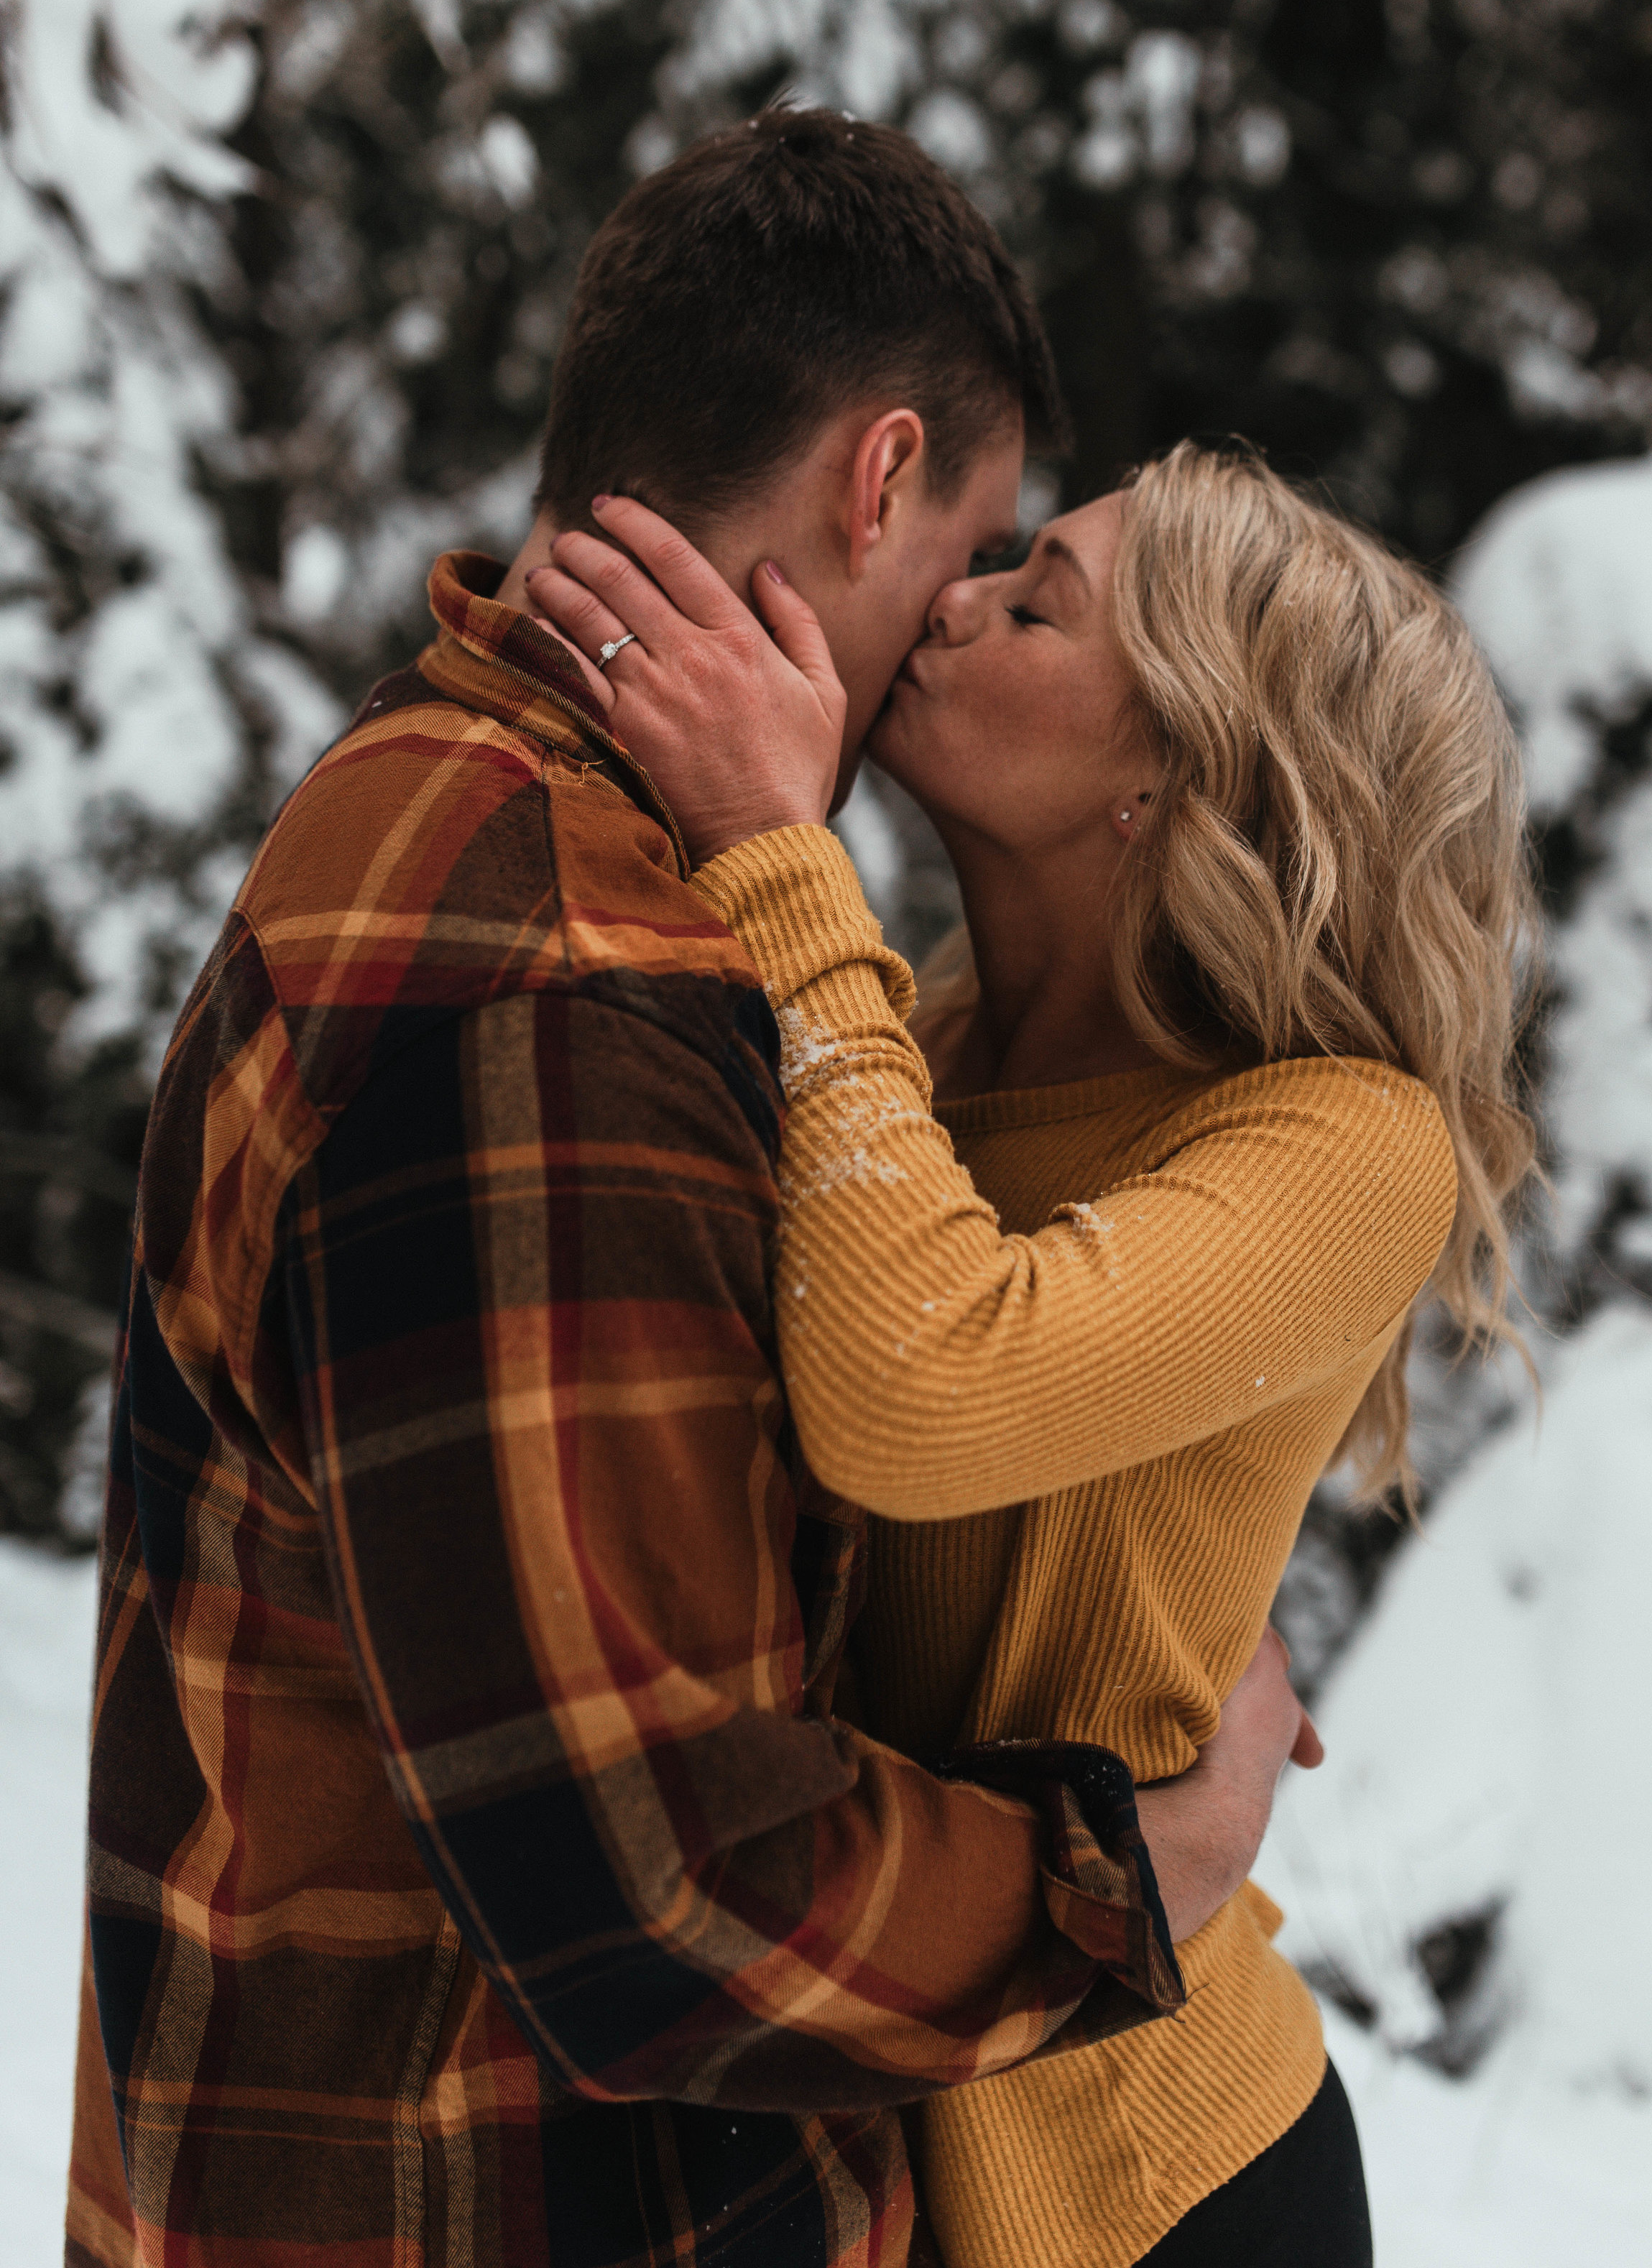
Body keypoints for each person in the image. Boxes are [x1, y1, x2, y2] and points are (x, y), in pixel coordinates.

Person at [67, 114, 1317, 2268]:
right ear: (875, 476)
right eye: (982, 541)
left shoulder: (434, 804)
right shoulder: (560, 976)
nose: (962, 616)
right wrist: (1138, 1870)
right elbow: (669, 1891)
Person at [528, 438, 1541, 2267]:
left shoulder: (1340, 1134)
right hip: (839, 2105)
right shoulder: (912, 1037)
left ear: (1174, 761)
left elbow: (920, 1385)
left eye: (1036, 595)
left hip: (1153, 2180)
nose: (953, 595)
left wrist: (772, 848)